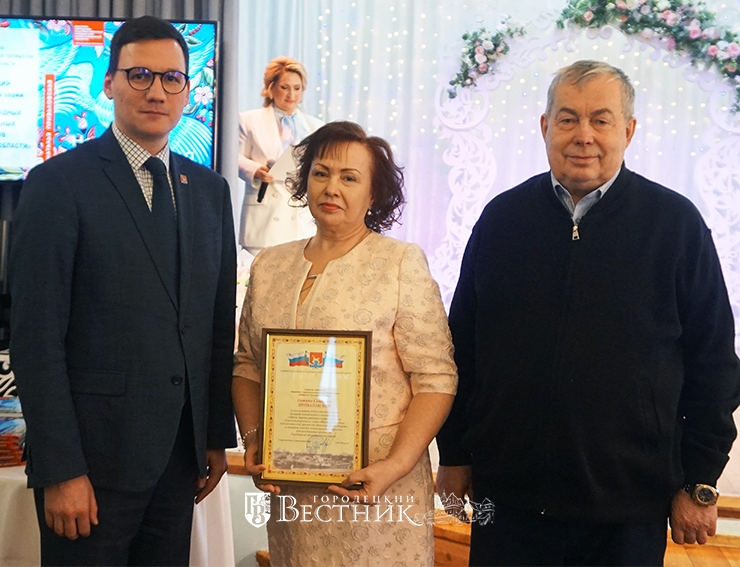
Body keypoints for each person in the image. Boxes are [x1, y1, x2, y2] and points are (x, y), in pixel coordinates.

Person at [435, 59, 740, 567]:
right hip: (506, 498)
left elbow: (714, 363)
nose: (584, 135)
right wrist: (455, 454)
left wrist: (700, 480)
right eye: (568, 118)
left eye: (601, 120)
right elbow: (461, 345)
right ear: (545, 127)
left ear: (628, 130)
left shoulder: (675, 224)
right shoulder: (502, 219)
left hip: (627, 505)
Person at [9, 15, 236, 566]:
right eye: (140, 75)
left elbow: (213, 324)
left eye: (172, 78)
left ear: (187, 90)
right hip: (91, 466)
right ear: (109, 83)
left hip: (178, 462)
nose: (157, 91)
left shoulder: (209, 191)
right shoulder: (58, 184)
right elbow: (36, 338)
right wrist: (61, 469)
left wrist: (213, 436)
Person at [233, 121, 457, 567]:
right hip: (292, 492)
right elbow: (247, 366)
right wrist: (255, 438)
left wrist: (395, 466)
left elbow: (436, 378)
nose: (331, 187)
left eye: (349, 177)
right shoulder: (270, 264)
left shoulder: (399, 262)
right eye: (321, 173)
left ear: (374, 194)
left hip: (378, 490)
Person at [237, 56, 324, 255]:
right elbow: (234, 157)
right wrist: (255, 170)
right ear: (271, 87)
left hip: (300, 218)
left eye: (297, 88)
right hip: (264, 216)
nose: (291, 94)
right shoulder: (249, 120)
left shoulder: (316, 127)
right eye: (285, 87)